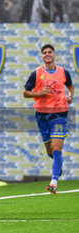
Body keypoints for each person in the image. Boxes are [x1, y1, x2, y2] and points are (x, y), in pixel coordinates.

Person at [23, 44, 74, 194]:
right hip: (42, 115)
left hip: (59, 114)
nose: (47, 54)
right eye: (44, 52)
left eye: (49, 52)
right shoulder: (37, 73)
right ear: (42, 56)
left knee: (57, 148)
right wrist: (39, 93)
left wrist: (70, 95)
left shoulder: (63, 72)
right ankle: (57, 166)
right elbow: (25, 93)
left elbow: (70, 86)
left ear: (54, 54)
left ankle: (53, 181)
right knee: (50, 150)